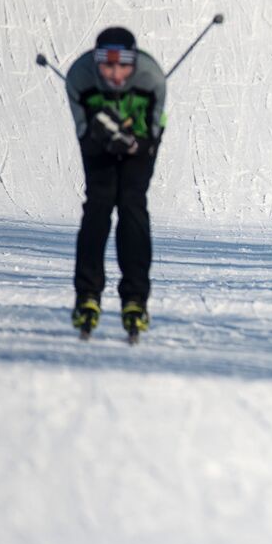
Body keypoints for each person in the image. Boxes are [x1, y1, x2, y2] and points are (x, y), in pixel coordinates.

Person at [66, 26, 168, 339]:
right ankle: (88, 294)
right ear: (96, 63)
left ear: (134, 63)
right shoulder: (79, 79)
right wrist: (108, 137)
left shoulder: (152, 79)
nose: (115, 74)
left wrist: (133, 142)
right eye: (107, 65)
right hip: (98, 143)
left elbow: (152, 131)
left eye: (123, 65)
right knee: (99, 203)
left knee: (132, 203)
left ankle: (135, 297)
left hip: (140, 143)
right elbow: (84, 130)